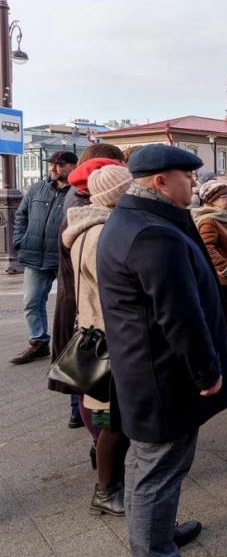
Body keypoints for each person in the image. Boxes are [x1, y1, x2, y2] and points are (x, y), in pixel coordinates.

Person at [96, 144, 227, 557]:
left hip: (147, 371)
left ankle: (156, 535)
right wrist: (206, 372)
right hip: (165, 377)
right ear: (160, 181)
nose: (194, 183)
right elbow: (179, 315)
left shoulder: (135, 220)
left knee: (148, 466)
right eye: (186, 176)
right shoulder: (152, 232)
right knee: (157, 470)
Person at [63, 164, 133, 516]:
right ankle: (106, 490)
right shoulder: (101, 232)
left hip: (98, 334)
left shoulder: (87, 228)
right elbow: (114, 290)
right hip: (107, 339)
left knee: (111, 419)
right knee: (112, 422)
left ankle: (111, 486)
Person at [48, 147, 123, 429]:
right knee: (91, 378)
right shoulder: (88, 210)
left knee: (85, 371)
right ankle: (99, 441)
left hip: (77, 302)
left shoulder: (76, 197)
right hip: (87, 306)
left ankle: (93, 429)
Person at [10, 150, 76, 365]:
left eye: (60, 164)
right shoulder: (38, 187)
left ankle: (71, 345)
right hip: (35, 255)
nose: (54, 168)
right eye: (52, 164)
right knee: (31, 301)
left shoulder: (77, 192)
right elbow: (21, 215)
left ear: (73, 166)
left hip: (64, 257)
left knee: (70, 305)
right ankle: (38, 342)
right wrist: (21, 240)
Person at [192, 181, 227, 334]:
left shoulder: (224, 217)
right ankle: (220, 331)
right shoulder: (209, 220)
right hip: (219, 274)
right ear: (211, 200)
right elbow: (206, 247)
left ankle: (226, 324)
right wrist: (224, 266)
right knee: (219, 304)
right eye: (223, 197)